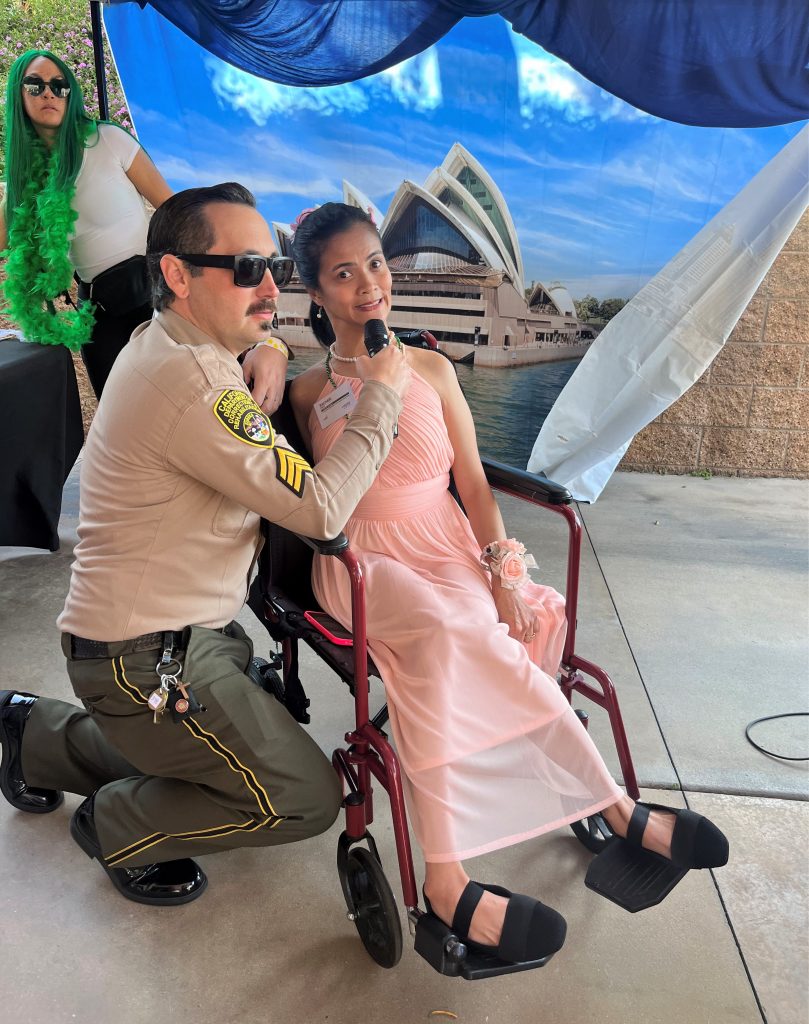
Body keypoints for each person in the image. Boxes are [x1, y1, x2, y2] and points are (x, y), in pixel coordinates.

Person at [289, 203, 729, 964]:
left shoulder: (432, 368)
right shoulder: (304, 393)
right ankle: (468, 870)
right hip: (361, 556)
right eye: (344, 273)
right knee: (448, 635)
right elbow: (305, 492)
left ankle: (596, 811)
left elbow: (472, 484)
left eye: (376, 263)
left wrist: (500, 576)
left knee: (497, 625)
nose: (369, 284)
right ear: (317, 292)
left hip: (443, 539)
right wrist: (267, 355)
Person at [0, 183, 409, 907]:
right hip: (143, 656)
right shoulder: (194, 383)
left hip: (163, 633)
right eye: (247, 268)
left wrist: (270, 345)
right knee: (302, 796)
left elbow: (242, 363)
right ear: (178, 275)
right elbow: (318, 510)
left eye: (275, 267)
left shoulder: (170, 338)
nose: (270, 287)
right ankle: (121, 825)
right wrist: (382, 394)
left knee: (213, 739)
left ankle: (34, 736)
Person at [0, 49, 287, 409]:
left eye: (60, 85)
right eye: (35, 85)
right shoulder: (26, 178)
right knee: (121, 410)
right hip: (99, 312)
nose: (49, 93)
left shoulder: (106, 139)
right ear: (18, 93)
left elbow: (179, 212)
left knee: (196, 400)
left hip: (153, 296)